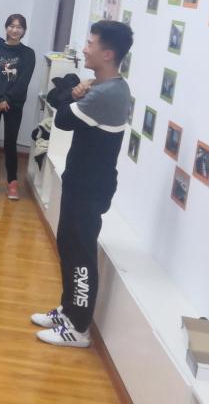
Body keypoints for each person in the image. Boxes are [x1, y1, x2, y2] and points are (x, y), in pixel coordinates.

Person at [32, 20, 133, 348]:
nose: (85, 49)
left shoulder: (106, 93)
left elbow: (62, 119)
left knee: (81, 255)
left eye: (90, 44)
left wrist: (73, 93)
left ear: (108, 53)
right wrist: (75, 92)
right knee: (69, 246)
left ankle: (78, 328)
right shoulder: (107, 88)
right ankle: (69, 310)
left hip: (90, 187)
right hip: (82, 181)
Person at [0, 14, 36, 201]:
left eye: (19, 27)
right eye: (11, 26)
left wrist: (7, 100)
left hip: (14, 103)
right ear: (6, 28)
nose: (15, 30)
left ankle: (12, 182)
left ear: (24, 30)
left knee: (11, 143)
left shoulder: (28, 54)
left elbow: (23, 81)